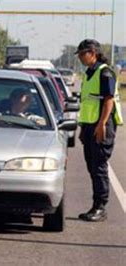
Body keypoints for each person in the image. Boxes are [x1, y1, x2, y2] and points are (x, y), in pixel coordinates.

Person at [75, 39, 123, 222]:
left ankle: (100, 207)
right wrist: (83, 127)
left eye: (82, 53)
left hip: (102, 125)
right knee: (92, 167)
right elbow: (88, 102)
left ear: (93, 53)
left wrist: (102, 124)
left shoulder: (105, 73)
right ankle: (95, 206)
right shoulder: (89, 73)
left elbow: (108, 100)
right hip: (89, 125)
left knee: (99, 167)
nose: (80, 57)